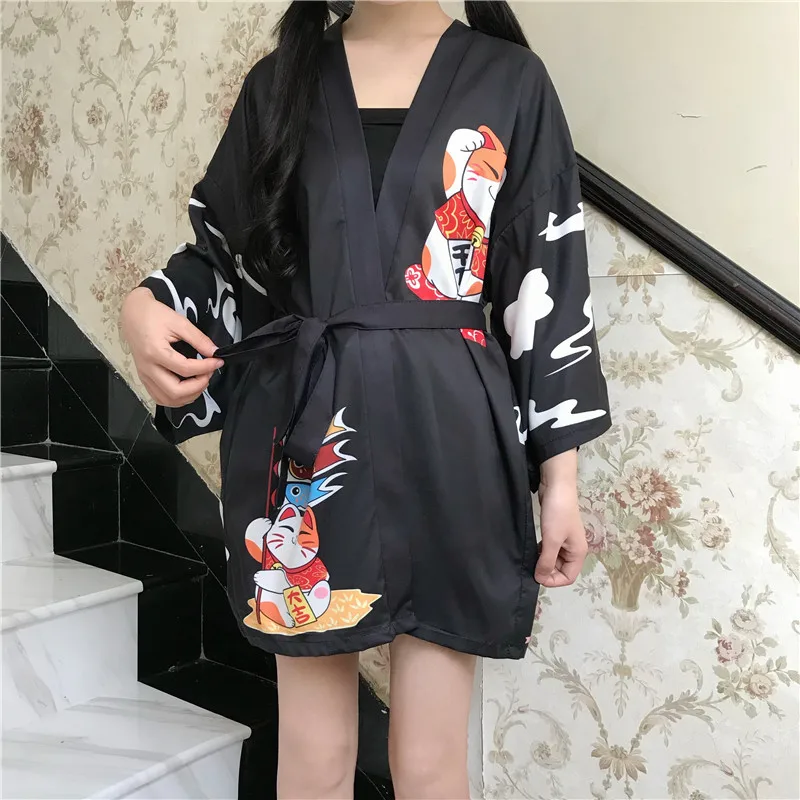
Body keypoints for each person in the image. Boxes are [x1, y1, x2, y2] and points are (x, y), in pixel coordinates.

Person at [120, 1, 611, 797]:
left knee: (429, 761)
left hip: (451, 439)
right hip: (309, 434)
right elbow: (225, 255)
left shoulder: (510, 79)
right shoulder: (281, 81)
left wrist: (561, 484)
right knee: (313, 756)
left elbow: (547, 282)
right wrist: (145, 306)